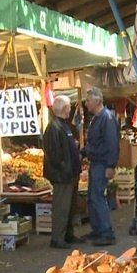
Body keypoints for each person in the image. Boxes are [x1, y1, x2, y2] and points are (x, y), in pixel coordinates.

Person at [80, 87, 119, 246]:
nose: (86, 103)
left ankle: (106, 232)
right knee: (92, 197)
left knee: (97, 197)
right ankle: (97, 229)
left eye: (88, 100)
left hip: (102, 163)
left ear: (97, 100)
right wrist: (83, 152)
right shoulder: (97, 118)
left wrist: (110, 165)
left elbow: (112, 144)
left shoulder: (107, 118)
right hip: (96, 162)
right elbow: (93, 142)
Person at [42, 95, 82, 249]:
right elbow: (53, 152)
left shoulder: (62, 125)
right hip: (62, 175)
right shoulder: (53, 127)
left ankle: (68, 234)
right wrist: (63, 167)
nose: (70, 109)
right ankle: (57, 238)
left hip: (70, 173)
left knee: (70, 207)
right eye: (69, 107)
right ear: (64, 108)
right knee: (61, 207)